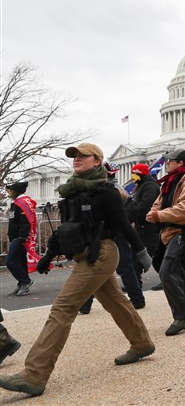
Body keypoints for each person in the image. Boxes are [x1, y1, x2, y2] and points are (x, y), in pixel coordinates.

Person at [0, 143, 154, 397]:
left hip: (101, 253)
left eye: (83, 156)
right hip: (84, 254)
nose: (77, 159)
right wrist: (48, 256)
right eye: (75, 156)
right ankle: (142, 343)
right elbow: (66, 230)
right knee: (115, 301)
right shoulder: (72, 192)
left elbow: (123, 224)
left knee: (62, 308)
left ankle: (34, 375)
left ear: (97, 161)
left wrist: (142, 254)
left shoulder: (106, 192)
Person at [146, 149, 185, 336]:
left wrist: (158, 215)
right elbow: (160, 201)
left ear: (180, 163)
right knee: (181, 272)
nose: (167, 163)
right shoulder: (172, 180)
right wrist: (155, 212)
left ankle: (182, 315)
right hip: (172, 231)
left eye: (170, 161)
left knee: (168, 271)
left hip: (184, 232)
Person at [79, 163, 146, 313]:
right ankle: (137, 298)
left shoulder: (108, 191)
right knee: (123, 268)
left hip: (109, 233)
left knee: (97, 268)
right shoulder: (118, 189)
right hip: (113, 232)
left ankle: (85, 304)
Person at [125, 163, 161, 286]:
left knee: (140, 256)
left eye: (135, 174)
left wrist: (128, 202)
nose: (133, 176)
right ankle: (135, 283)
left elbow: (143, 208)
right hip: (140, 226)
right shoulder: (140, 186)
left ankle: (136, 284)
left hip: (148, 227)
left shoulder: (150, 186)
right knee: (135, 256)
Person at [5, 181, 38, 297]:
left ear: (17, 191)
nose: (9, 192)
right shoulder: (17, 203)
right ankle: (22, 283)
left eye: (11, 190)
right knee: (20, 261)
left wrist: (22, 236)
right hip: (16, 237)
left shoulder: (22, 203)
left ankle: (26, 281)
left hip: (20, 238)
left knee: (10, 261)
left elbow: (26, 221)